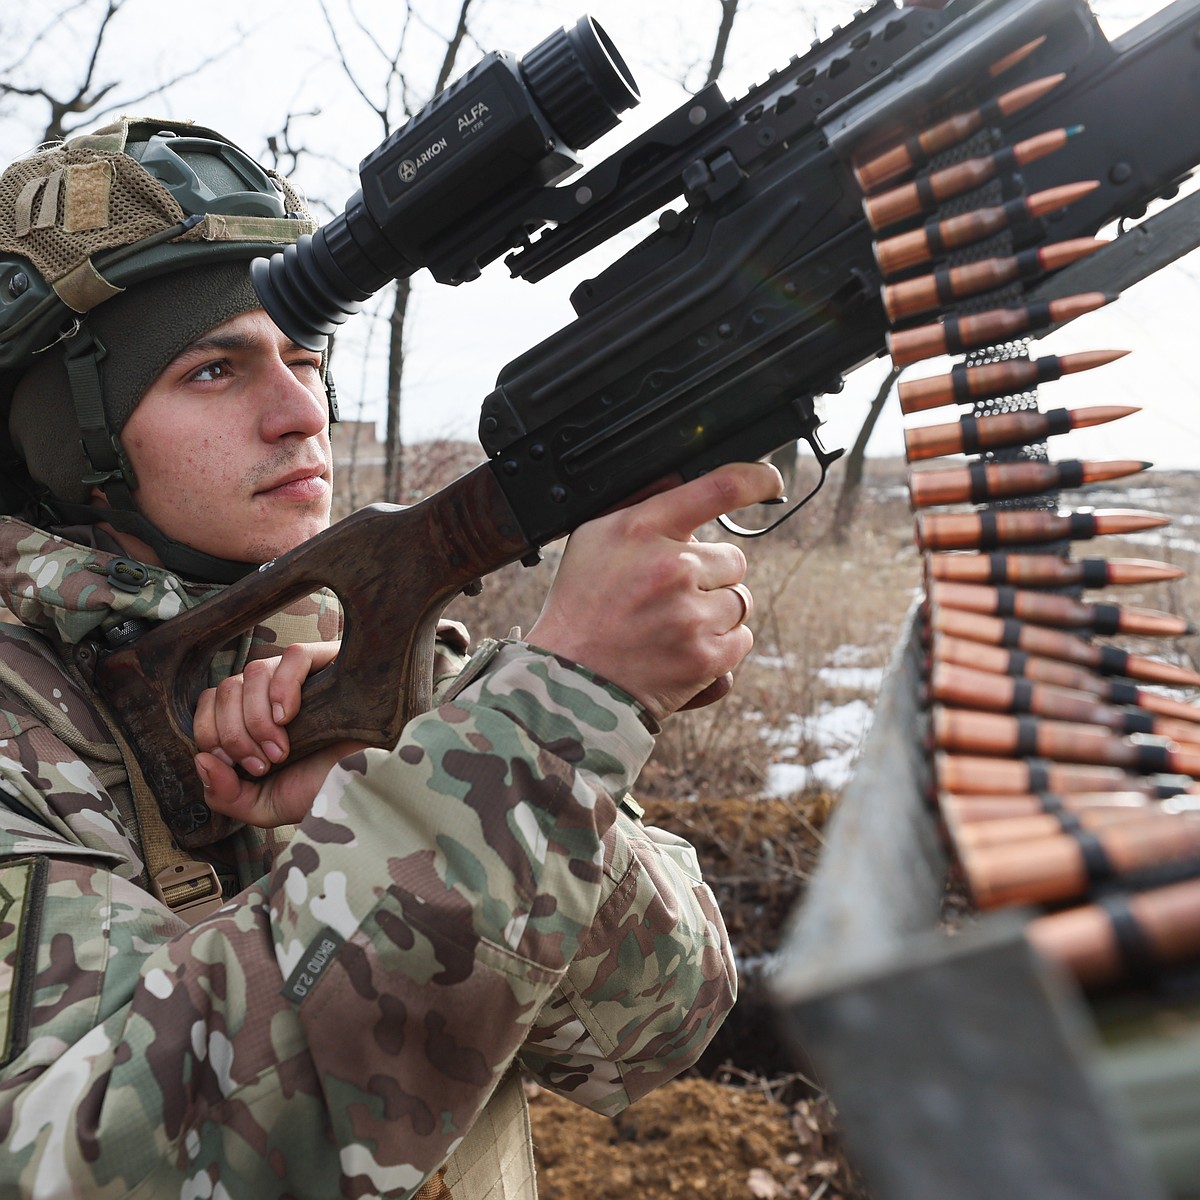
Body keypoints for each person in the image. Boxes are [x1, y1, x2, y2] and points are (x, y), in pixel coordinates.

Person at [0, 116, 780, 1198]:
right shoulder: (21, 728)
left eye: (305, 357)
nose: (298, 413)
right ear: (69, 441)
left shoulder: (371, 655)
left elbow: (661, 1026)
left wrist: (417, 783)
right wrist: (554, 725)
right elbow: (106, 1161)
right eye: (215, 369)